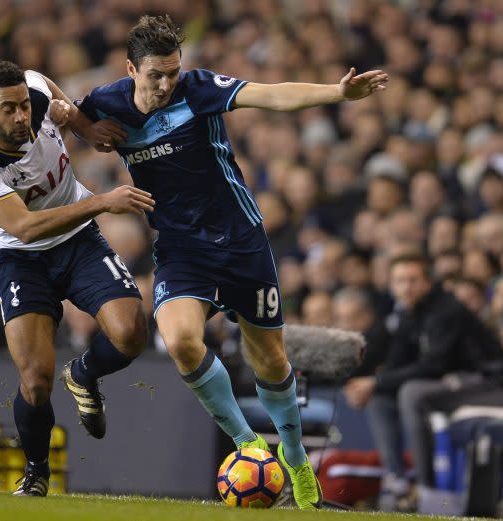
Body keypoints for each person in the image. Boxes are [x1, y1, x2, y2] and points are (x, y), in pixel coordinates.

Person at [76, 14, 388, 509]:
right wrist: (84, 126)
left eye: (172, 72)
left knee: (270, 358)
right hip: (181, 248)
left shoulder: (197, 89)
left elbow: (271, 92)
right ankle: (249, 445)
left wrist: (336, 93)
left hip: (242, 242)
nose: (165, 83)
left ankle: (295, 460)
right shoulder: (104, 101)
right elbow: (54, 106)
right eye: (155, 74)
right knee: (179, 340)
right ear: (130, 68)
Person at [0, 61, 154, 496]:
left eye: (24, 106)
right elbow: (24, 227)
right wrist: (101, 202)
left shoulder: (35, 95)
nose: (22, 116)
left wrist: (82, 124)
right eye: (9, 110)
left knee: (131, 331)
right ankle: (37, 471)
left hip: (78, 243)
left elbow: (42, 82)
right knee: (36, 379)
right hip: (21, 257)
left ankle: (83, 374)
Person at [343, 252, 503, 511]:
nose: (406, 287)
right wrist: (372, 383)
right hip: (450, 384)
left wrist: (376, 382)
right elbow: (397, 361)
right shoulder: (409, 313)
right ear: (392, 285)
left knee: (411, 392)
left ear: (428, 282)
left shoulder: (447, 309)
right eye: (400, 281)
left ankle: (426, 486)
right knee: (381, 397)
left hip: (487, 381)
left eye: (412, 280)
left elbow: (435, 364)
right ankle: (397, 481)